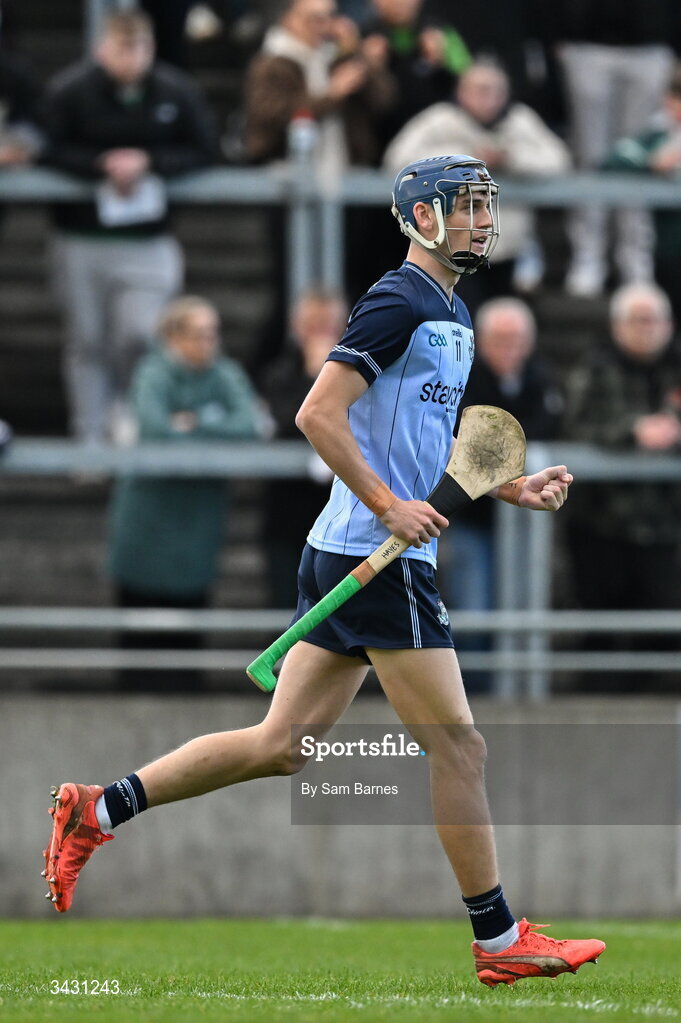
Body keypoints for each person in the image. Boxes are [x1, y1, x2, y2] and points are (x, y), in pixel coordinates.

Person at [42, 154, 605, 986]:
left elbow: (414, 438)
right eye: (467, 207)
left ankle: (97, 807)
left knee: (281, 744)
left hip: (351, 548)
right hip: (376, 555)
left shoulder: (449, 307)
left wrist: (506, 483)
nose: (484, 221)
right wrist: (385, 507)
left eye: (488, 206)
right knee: (458, 746)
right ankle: (497, 938)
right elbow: (317, 412)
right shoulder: (397, 300)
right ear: (421, 219)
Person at [41, 10, 218, 442]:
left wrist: (151, 163)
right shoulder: (71, 91)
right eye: (121, 47)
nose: (130, 58)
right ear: (102, 48)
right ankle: (90, 437)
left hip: (148, 239)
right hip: (82, 237)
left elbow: (207, 148)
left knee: (140, 334)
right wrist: (97, 165)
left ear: (151, 48)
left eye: (138, 47)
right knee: (87, 342)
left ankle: (135, 422)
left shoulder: (174, 91)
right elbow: (45, 147)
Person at [107, 296, 260, 690]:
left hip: (198, 522)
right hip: (149, 520)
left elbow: (247, 423)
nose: (209, 343)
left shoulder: (224, 373)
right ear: (174, 336)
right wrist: (211, 425)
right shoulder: (153, 372)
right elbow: (155, 428)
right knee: (140, 630)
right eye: (199, 335)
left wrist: (193, 425)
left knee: (189, 623)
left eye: (213, 334)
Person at [562, 282, 681, 692]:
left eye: (655, 320)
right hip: (602, 523)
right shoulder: (593, 367)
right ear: (617, 326)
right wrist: (632, 433)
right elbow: (575, 426)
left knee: (661, 622)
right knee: (600, 621)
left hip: (668, 524)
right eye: (638, 320)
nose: (647, 328)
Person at [439, 297, 562, 691]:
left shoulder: (543, 382)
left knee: (529, 607)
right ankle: (475, 692)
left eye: (517, 339)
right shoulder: (462, 383)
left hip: (528, 519)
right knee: (474, 608)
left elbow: (544, 431)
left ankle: (517, 689)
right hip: (475, 516)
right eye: (500, 339)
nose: (509, 348)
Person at [382, 62, 570, 313]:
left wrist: (510, 159)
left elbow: (559, 161)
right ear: (461, 91)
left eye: (494, 91)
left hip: (507, 247)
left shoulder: (520, 121)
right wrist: (462, 160)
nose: (487, 98)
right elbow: (397, 159)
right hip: (451, 248)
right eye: (480, 90)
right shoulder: (440, 119)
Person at [546, 3, 677, 297]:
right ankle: (588, 256)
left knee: (640, 158)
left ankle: (635, 260)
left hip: (650, 41)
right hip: (588, 41)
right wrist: (557, 33)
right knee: (590, 157)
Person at [260, 286, 347, 607]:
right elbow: (291, 420)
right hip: (287, 516)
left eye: (327, 326)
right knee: (287, 607)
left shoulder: (359, 375)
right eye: (312, 326)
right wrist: (316, 375)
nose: (319, 335)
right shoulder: (278, 373)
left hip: (337, 517)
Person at [602, 65, 681, 324]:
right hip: (669, 251)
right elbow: (614, 160)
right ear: (668, 101)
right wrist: (652, 163)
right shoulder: (658, 137)